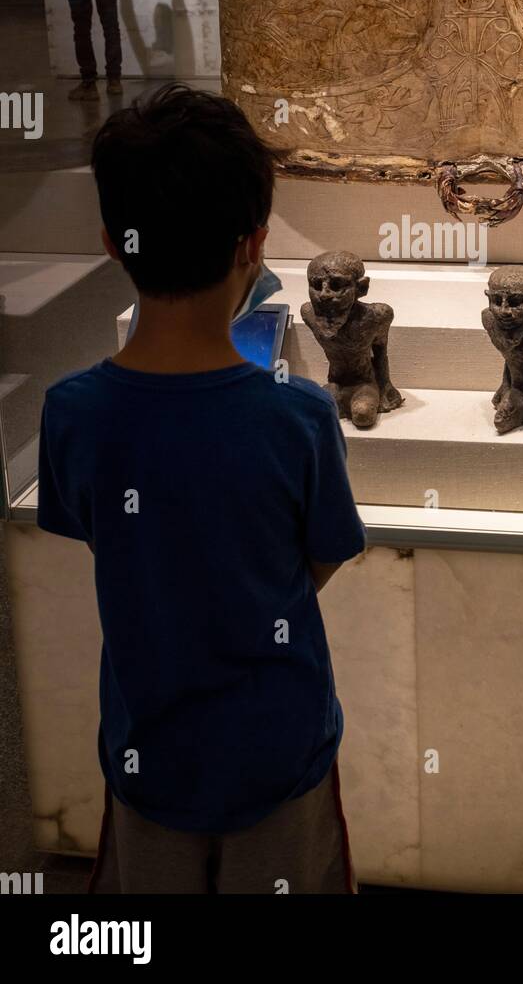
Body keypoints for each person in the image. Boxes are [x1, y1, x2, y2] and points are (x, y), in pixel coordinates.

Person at [37, 84, 367, 893]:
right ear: (253, 245)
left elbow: (101, 533)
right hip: (278, 747)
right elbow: (316, 561)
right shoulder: (294, 416)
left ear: (114, 243)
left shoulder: (72, 412)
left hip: (149, 741)